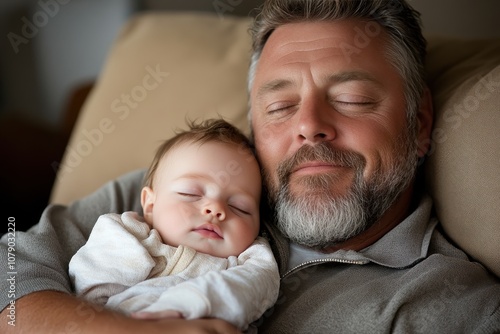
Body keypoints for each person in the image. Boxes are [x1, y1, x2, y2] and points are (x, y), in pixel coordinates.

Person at [1, 0, 499, 333]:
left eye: (349, 98)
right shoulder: (179, 193)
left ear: (419, 122)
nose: (309, 126)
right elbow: (8, 268)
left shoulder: (452, 307)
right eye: (280, 108)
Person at [67, 118, 279, 332]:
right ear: (150, 204)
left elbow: (252, 288)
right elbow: (89, 286)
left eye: (239, 207)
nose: (216, 209)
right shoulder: (127, 233)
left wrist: (187, 305)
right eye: (191, 194)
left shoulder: (250, 261)